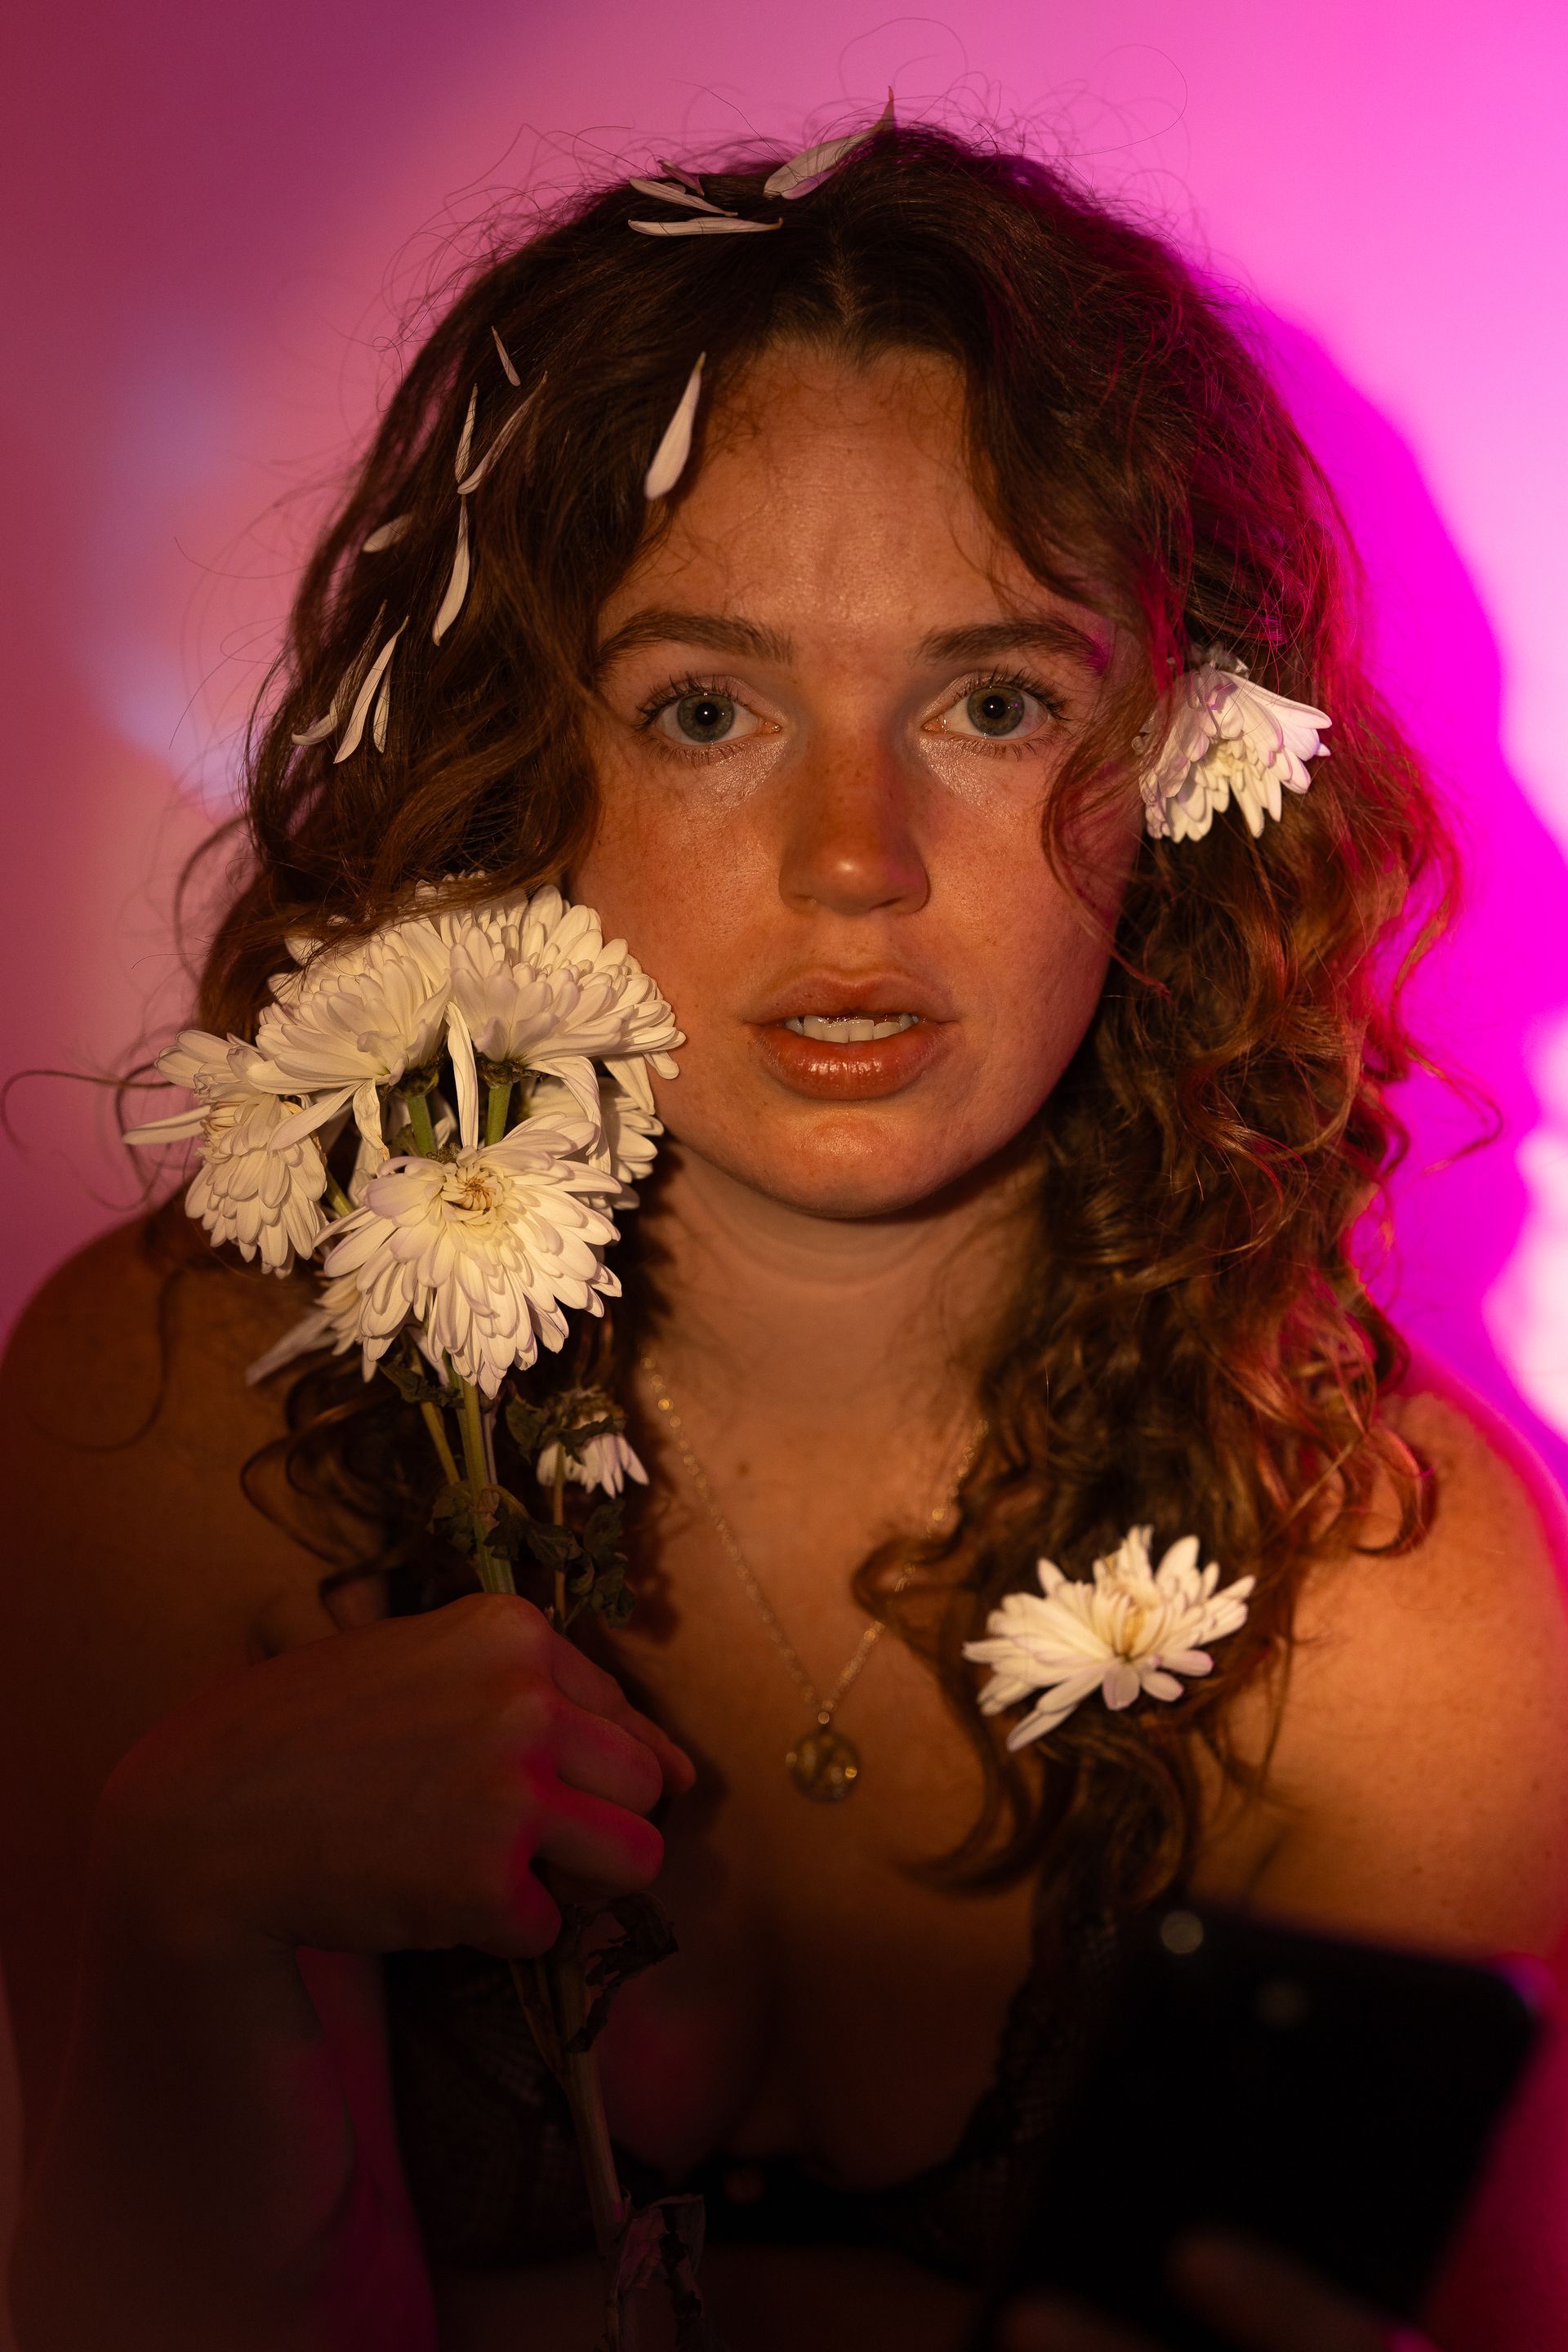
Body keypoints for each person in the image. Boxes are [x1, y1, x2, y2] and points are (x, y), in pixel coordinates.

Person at [2, 114, 1566, 2352]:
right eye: (710, 709)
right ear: (528, 755)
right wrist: (179, 1934)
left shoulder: (1390, 1607)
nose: (858, 857)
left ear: (1183, 769)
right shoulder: (166, 1442)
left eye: (995, 702)